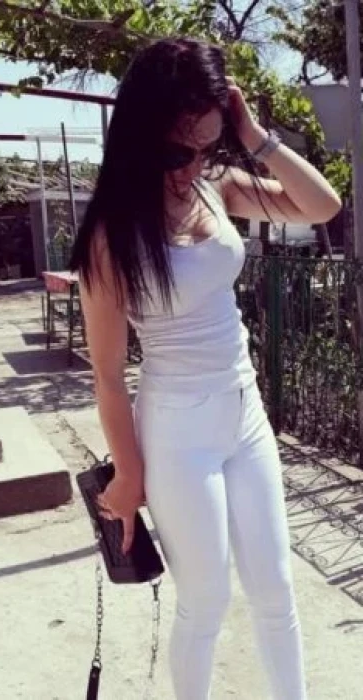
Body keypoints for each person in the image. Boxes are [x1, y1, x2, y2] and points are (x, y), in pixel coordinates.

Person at [71, 38, 341, 700]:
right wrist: (129, 473)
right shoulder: (111, 235)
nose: (191, 165)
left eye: (208, 147)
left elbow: (322, 205)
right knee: (206, 600)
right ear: (141, 135)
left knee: (275, 589)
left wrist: (253, 138)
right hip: (176, 430)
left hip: (244, 413)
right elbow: (107, 374)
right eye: (177, 151)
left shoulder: (219, 188)